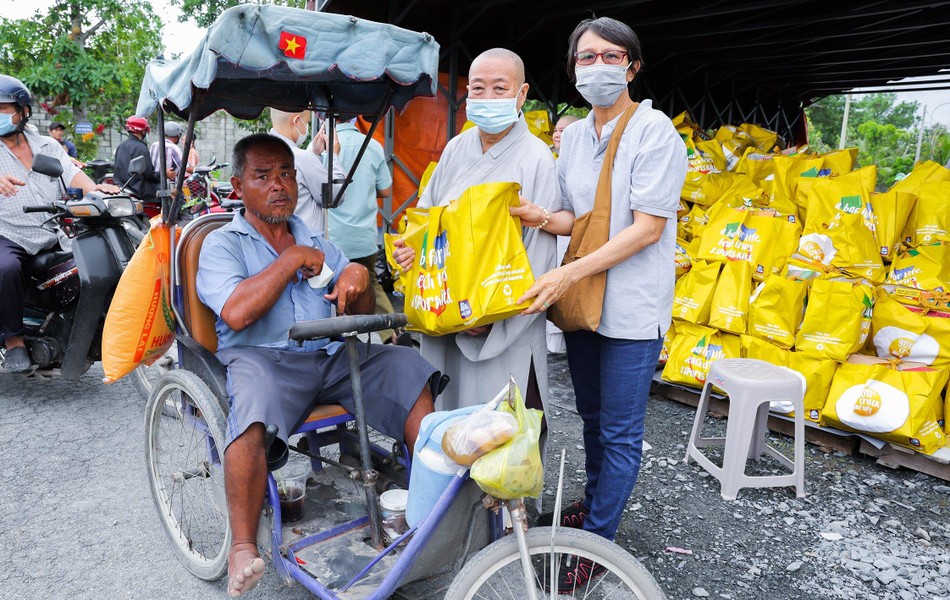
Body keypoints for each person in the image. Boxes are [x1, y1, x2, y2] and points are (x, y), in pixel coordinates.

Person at [196, 133, 436, 598]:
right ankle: (243, 546)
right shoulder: (222, 244)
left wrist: (357, 276)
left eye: (286, 173)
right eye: (263, 176)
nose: (279, 185)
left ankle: (424, 509)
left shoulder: (316, 238)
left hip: (330, 356)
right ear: (238, 185)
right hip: (263, 361)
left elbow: (356, 309)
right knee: (251, 411)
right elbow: (237, 312)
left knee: (409, 367)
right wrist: (290, 260)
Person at [515, 17, 687, 585]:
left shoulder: (654, 132)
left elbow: (647, 229)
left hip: (631, 309)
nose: (597, 67)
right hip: (589, 301)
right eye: (585, 58)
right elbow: (574, 219)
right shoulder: (577, 137)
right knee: (589, 419)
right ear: (573, 70)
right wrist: (536, 216)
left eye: (610, 56)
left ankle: (597, 544)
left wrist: (567, 276)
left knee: (618, 431)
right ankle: (595, 507)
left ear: (632, 67)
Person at [392, 48, 560, 413]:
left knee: (500, 430)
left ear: (522, 94)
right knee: (447, 418)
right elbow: (425, 219)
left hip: (501, 320)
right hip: (445, 309)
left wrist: (488, 318)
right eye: (478, 89)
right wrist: (410, 250)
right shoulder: (455, 148)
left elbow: (539, 254)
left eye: (500, 89)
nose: (486, 99)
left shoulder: (537, 158)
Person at [0, 75, 119, 373]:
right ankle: (13, 340)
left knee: (83, 266)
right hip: (8, 233)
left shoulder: (47, 146)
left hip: (50, 230)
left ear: (23, 111)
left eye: (3, 108)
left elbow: (71, 174)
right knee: (6, 267)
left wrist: (97, 190)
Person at [328, 119, 401, 343]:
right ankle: (389, 334)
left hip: (334, 238)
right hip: (363, 237)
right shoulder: (373, 145)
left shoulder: (323, 146)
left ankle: (337, 340)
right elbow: (386, 190)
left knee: (330, 289)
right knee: (371, 284)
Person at [268, 109, 345, 236]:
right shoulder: (301, 158)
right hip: (304, 243)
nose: (307, 127)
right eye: (307, 122)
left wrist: (313, 154)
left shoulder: (261, 153)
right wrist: (333, 156)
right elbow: (335, 196)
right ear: (297, 121)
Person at [546, 113, 582, 354]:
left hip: (570, 234)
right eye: (556, 130)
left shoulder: (580, 166)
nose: (558, 135)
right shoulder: (550, 161)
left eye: (564, 131)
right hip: (551, 231)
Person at [113, 116, 161, 201]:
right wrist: (162, 175)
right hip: (137, 187)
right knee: (170, 190)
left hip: (123, 184)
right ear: (143, 131)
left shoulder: (122, 145)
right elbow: (148, 174)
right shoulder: (141, 147)